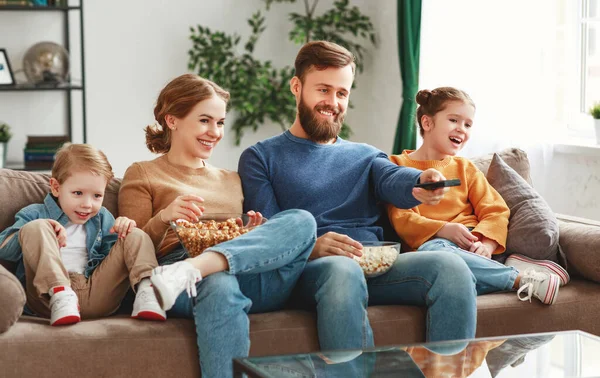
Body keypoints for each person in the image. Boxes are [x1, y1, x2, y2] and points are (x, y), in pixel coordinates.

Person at [238, 40, 478, 351]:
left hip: (376, 264)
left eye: (342, 93)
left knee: (451, 267)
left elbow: (393, 177)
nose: (333, 102)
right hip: (313, 272)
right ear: (296, 87)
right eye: (323, 90)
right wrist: (311, 248)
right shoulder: (261, 157)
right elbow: (267, 233)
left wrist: (421, 180)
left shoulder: (365, 155)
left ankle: (446, 372)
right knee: (342, 268)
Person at [118, 73, 316, 378]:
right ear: (172, 120)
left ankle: (197, 266)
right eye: (205, 121)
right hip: (179, 279)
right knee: (219, 284)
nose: (215, 132)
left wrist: (253, 231)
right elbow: (132, 246)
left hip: (245, 271)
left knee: (301, 220)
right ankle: (191, 270)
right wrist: (166, 216)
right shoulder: (143, 173)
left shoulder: (230, 178)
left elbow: (246, 243)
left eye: (220, 122)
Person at [387, 87, 570, 305]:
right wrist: (444, 229)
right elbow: (402, 218)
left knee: (445, 269)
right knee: (438, 261)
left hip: (473, 243)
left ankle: (513, 275)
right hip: (431, 249)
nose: (461, 129)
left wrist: (487, 245)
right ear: (427, 123)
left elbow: (496, 210)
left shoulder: (465, 168)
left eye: (468, 124)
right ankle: (517, 275)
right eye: (454, 120)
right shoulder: (397, 166)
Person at [0, 143, 165, 326]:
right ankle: (60, 292)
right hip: (46, 300)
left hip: (96, 293)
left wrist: (123, 229)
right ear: (55, 187)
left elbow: (116, 258)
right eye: (78, 193)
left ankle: (148, 292)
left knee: (134, 234)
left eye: (96, 196)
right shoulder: (35, 213)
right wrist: (39, 229)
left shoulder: (102, 218)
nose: (88, 204)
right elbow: (5, 250)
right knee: (35, 227)